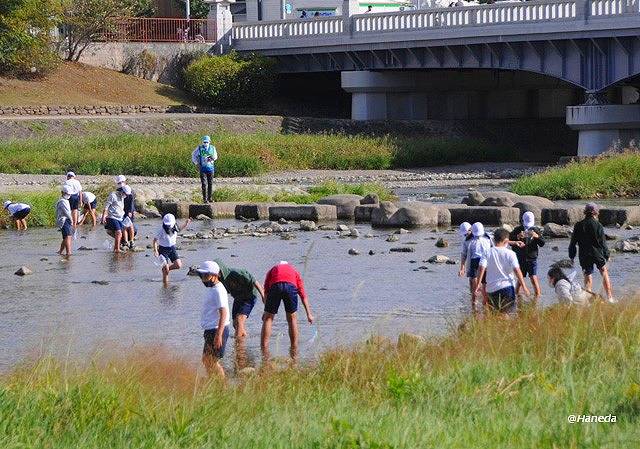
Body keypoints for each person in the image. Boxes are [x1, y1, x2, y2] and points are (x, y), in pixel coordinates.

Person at [261, 261, 314, 360]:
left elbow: (266, 292)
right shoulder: (294, 271)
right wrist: (309, 314)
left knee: (268, 319)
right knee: (292, 319)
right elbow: (303, 295)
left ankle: (264, 349)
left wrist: (266, 311)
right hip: (291, 286)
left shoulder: (272, 270)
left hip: (275, 286)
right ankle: (294, 348)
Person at [476, 228, 530, 315]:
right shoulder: (510, 253)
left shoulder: (487, 252)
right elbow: (517, 270)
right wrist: (524, 286)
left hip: (491, 288)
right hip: (507, 287)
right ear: (506, 241)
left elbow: (481, 268)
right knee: (507, 314)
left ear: (493, 239)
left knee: (495, 314)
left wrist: (478, 284)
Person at [568, 203, 615, 303]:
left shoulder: (579, 225)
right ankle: (610, 298)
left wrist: (571, 256)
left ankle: (588, 300)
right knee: (604, 272)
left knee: (588, 277)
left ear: (585, 212)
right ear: (595, 212)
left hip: (584, 255)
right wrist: (607, 255)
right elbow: (603, 243)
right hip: (597, 253)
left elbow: (573, 243)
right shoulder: (598, 225)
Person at [214, 259, 265, 338]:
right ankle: (243, 339)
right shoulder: (219, 281)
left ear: (221, 270)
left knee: (239, 319)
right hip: (238, 298)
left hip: (250, 296)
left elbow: (254, 281)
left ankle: (238, 348)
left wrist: (263, 295)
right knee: (235, 324)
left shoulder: (235, 273)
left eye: (216, 272)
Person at [196, 260, 230, 378]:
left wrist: (219, 335)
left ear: (215, 275)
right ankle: (213, 383)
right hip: (211, 329)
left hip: (216, 330)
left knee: (212, 361)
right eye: (202, 275)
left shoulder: (218, 290)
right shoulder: (213, 288)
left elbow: (224, 313)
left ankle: (222, 387)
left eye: (206, 275)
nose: (203, 279)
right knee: (207, 360)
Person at [509, 211, 545, 300]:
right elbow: (509, 241)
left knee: (533, 277)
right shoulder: (517, 229)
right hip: (520, 257)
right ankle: (516, 295)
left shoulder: (535, 230)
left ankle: (538, 296)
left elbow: (542, 243)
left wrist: (537, 237)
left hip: (532, 257)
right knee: (520, 277)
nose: (527, 227)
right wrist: (517, 237)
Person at [153, 213, 191, 286]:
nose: (168, 226)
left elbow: (179, 229)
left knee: (178, 265)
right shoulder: (161, 230)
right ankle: (165, 286)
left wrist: (186, 224)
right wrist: (156, 251)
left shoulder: (175, 227)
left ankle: (165, 269)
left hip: (172, 248)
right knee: (166, 271)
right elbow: (155, 240)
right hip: (163, 250)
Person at [463, 222, 492, 313]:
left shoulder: (469, 241)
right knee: (484, 284)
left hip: (475, 262)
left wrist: (462, 267)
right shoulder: (488, 238)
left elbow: (464, 254)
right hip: (485, 262)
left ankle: (474, 305)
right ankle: (485, 303)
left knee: (475, 284)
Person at [100, 185, 128, 254]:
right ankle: (116, 249)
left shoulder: (122, 197)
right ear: (122, 191)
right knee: (118, 232)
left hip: (120, 218)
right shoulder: (113, 195)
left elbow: (120, 207)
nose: (126, 196)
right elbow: (106, 207)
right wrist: (103, 217)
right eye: (126, 194)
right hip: (112, 217)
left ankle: (117, 247)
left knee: (119, 233)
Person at [191, 135, 218, 204]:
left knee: (210, 183)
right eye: (204, 142)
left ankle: (210, 198)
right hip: (202, 169)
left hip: (211, 169)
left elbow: (215, 156)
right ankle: (205, 199)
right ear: (202, 142)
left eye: (207, 142)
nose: (205, 143)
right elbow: (193, 155)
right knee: (204, 184)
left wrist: (211, 158)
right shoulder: (199, 148)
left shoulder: (212, 148)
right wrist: (196, 163)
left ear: (209, 142)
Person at [56, 185, 74, 256]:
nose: (68, 195)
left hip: (65, 220)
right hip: (64, 220)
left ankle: (60, 251)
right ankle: (68, 252)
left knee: (66, 237)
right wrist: (72, 220)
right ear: (62, 193)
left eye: (69, 194)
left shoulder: (64, 200)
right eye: (67, 194)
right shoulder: (63, 201)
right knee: (68, 236)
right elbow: (67, 212)